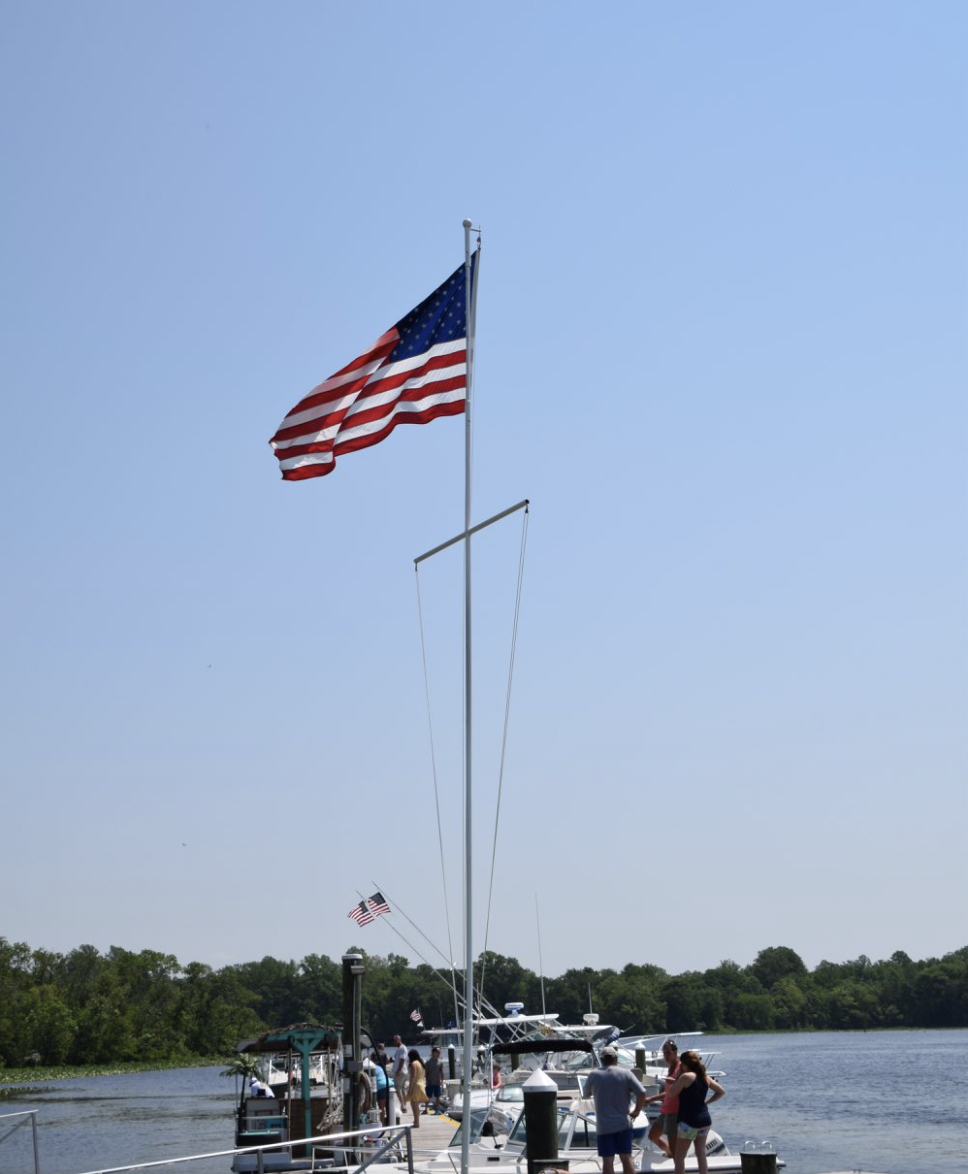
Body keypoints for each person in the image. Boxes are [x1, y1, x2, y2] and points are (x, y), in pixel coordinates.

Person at [583, 1045, 647, 1174]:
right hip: (623, 1123)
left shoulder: (594, 1074)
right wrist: (637, 1111)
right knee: (626, 1157)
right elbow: (642, 1092)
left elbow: (585, 1094)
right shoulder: (626, 1073)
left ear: (602, 1059)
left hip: (604, 1126)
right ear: (615, 1059)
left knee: (608, 1160)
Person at [663, 1049, 725, 1174]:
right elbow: (721, 1091)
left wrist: (677, 1077)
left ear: (684, 1064)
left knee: (679, 1157)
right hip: (704, 1120)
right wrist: (706, 1102)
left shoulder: (686, 1076)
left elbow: (671, 1093)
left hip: (689, 1122)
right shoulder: (704, 1077)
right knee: (701, 1153)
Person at [644, 1039, 680, 1159]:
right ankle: (671, 1154)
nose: (666, 1056)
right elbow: (668, 1092)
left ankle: (675, 1159)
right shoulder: (670, 1068)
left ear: (675, 1052)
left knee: (674, 1145)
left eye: (668, 1052)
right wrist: (651, 1099)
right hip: (665, 1110)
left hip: (674, 1112)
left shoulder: (679, 1068)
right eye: (664, 1053)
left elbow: (680, 1088)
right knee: (652, 1136)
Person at [407, 1049, 429, 1126]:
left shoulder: (413, 1064)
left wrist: (410, 1088)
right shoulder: (421, 1063)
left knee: (414, 1104)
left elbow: (413, 1077)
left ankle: (416, 1121)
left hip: (416, 1085)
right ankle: (416, 1120)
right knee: (416, 1104)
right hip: (421, 1084)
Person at [391, 1035, 409, 1122]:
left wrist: (398, 1071)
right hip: (403, 1072)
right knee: (402, 1089)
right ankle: (404, 1104)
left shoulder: (402, 1048)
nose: (394, 1042)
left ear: (399, 1040)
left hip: (400, 1072)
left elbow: (402, 1060)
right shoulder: (400, 1049)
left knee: (397, 1089)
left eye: (395, 1040)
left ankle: (403, 1105)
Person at [368, 1055, 390, 1125]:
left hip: (378, 1087)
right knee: (383, 1107)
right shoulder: (379, 1067)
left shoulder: (368, 1068)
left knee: (374, 1106)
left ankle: (378, 1123)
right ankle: (384, 1123)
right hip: (386, 1085)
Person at [424, 1046, 444, 1113]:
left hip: (437, 1082)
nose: (439, 1053)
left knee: (438, 1096)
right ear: (434, 1052)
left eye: (439, 1052)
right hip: (430, 1081)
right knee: (428, 1096)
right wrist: (426, 1080)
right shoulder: (428, 1062)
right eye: (438, 1052)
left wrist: (442, 1080)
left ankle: (437, 1109)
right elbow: (426, 1072)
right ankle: (425, 1109)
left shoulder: (440, 1062)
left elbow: (441, 1072)